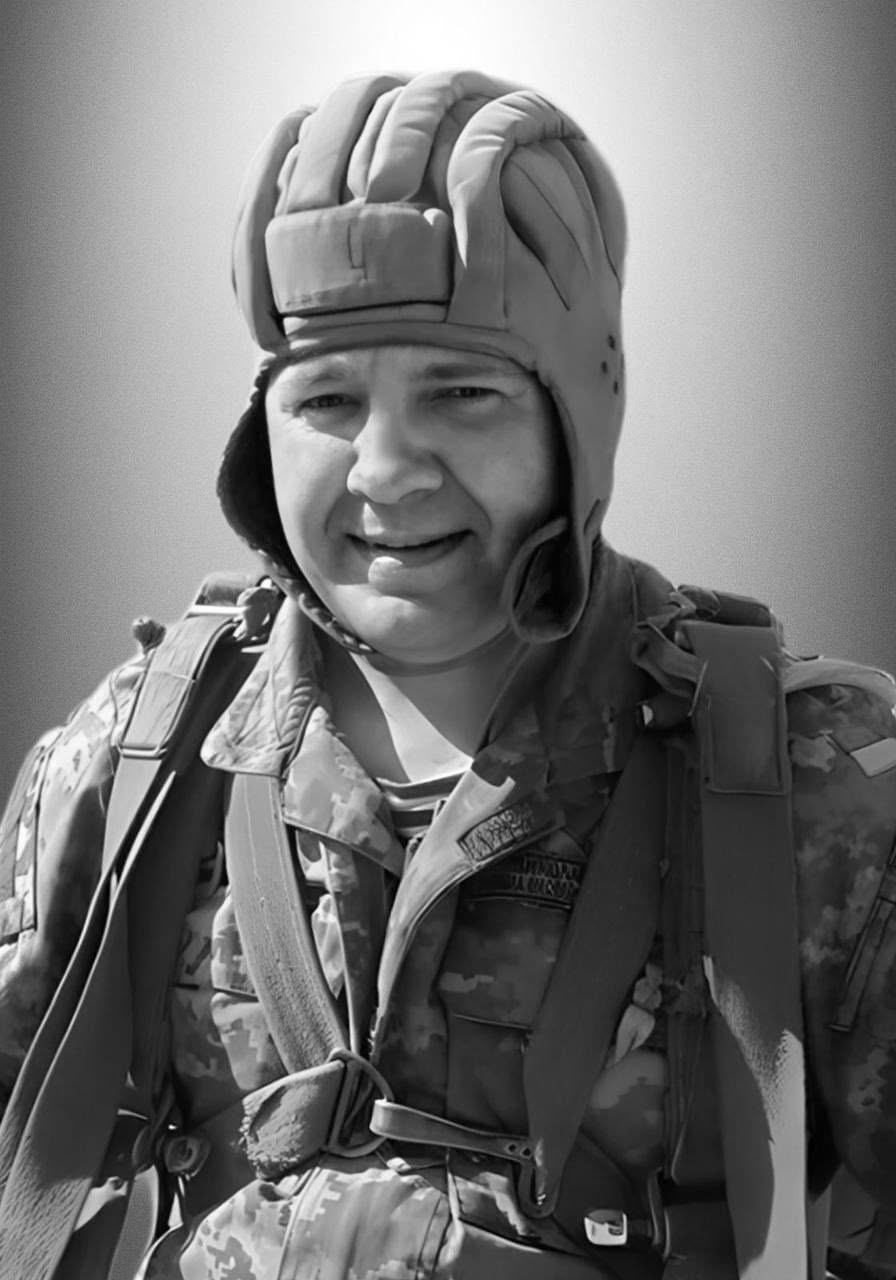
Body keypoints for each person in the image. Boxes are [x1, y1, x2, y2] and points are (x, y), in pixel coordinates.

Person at [0, 69, 893, 1280]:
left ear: (577, 414)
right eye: (325, 399)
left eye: (461, 393)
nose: (383, 469)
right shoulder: (135, 767)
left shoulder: (808, 780)